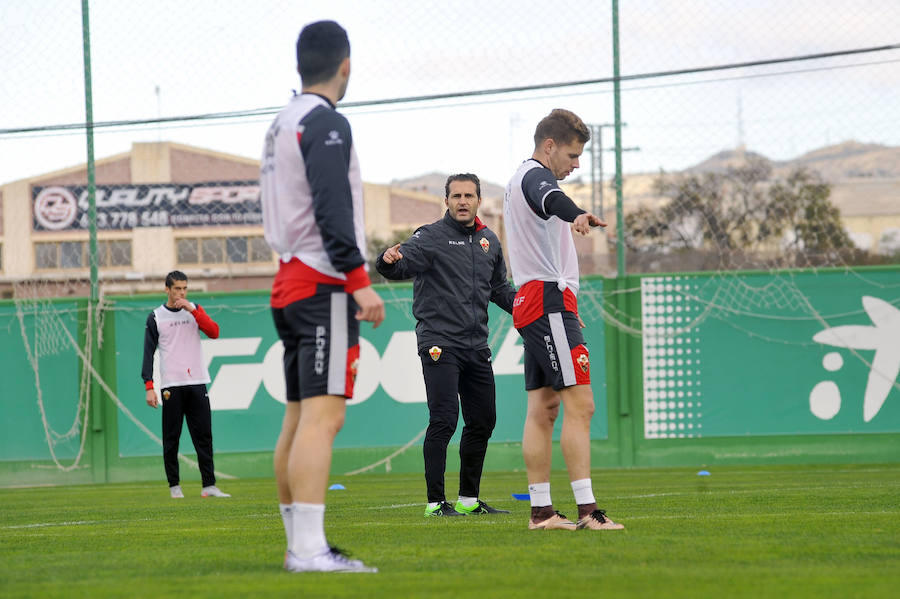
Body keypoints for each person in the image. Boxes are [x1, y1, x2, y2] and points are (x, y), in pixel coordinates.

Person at [259, 20, 385, 574]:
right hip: (321, 283)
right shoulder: (324, 121)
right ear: (346, 65)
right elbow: (333, 208)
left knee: (297, 418)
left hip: (289, 281)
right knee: (322, 420)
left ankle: (300, 546)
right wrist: (358, 281)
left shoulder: (280, 122)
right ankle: (308, 551)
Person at [503, 108, 624, 531]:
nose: (575, 165)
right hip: (547, 299)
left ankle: (541, 512)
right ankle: (588, 512)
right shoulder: (536, 176)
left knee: (544, 406)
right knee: (581, 404)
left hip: (542, 301)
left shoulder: (520, 178)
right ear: (549, 146)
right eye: (572, 155)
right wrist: (575, 214)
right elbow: (550, 198)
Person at [376, 173, 515, 518]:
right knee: (444, 420)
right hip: (440, 342)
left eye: (469, 195)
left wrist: (533, 308)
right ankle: (436, 503)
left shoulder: (489, 241)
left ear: (479, 200)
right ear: (447, 201)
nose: (463, 201)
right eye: (456, 196)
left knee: (483, 420)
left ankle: (469, 499)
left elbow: (500, 290)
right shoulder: (430, 237)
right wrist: (387, 261)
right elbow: (400, 264)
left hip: (476, 345)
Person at [142, 270, 230, 499]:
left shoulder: (194, 310)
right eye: (177, 288)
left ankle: (209, 485)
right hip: (171, 384)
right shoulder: (156, 317)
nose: (181, 292)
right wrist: (149, 386)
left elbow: (214, 332)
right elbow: (148, 353)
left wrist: (192, 309)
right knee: (172, 437)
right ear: (167, 289)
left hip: (198, 382)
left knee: (204, 436)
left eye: (184, 288)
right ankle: (174, 486)